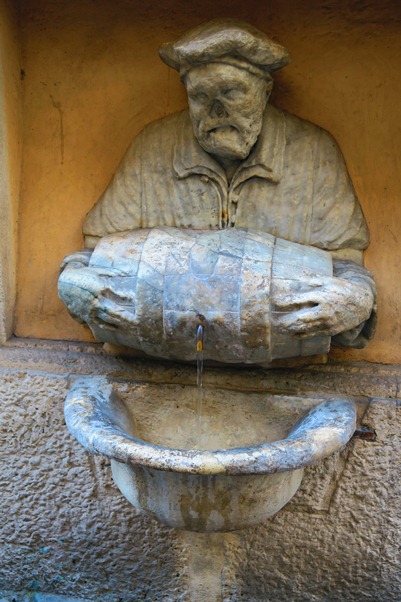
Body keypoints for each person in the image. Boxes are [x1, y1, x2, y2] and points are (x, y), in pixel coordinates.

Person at [74, 19, 376, 348]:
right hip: (159, 363)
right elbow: (93, 256)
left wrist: (357, 300)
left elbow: (347, 267)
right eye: (201, 95)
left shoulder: (314, 154)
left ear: (265, 91)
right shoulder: (153, 149)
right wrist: (76, 283)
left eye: (232, 92)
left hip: (285, 370)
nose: (217, 110)